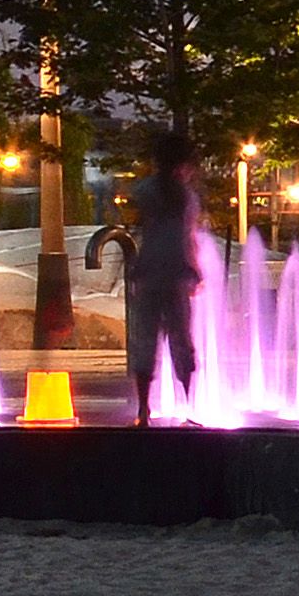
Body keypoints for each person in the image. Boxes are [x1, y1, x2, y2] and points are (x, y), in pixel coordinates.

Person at [123, 129, 203, 424]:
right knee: (181, 339)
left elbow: (145, 228)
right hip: (177, 273)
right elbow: (186, 237)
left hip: (150, 272)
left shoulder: (146, 190)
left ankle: (143, 410)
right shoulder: (186, 197)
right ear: (184, 165)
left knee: (146, 339)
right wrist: (194, 270)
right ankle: (187, 406)